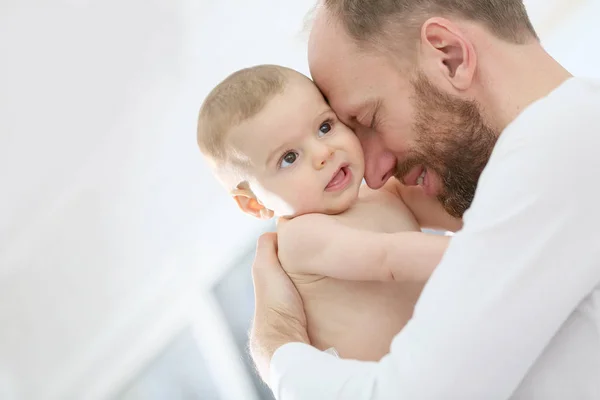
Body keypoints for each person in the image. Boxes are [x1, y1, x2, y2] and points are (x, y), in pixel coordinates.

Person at [249, 0, 600, 399]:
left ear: (448, 56)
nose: (375, 174)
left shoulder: (554, 149)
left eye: (367, 120)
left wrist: (276, 344)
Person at [196, 64, 458, 361]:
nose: (324, 153)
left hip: (446, 354)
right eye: (289, 158)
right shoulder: (300, 238)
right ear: (255, 204)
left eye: (324, 127)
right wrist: (477, 250)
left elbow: (458, 207)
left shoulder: (383, 191)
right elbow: (388, 258)